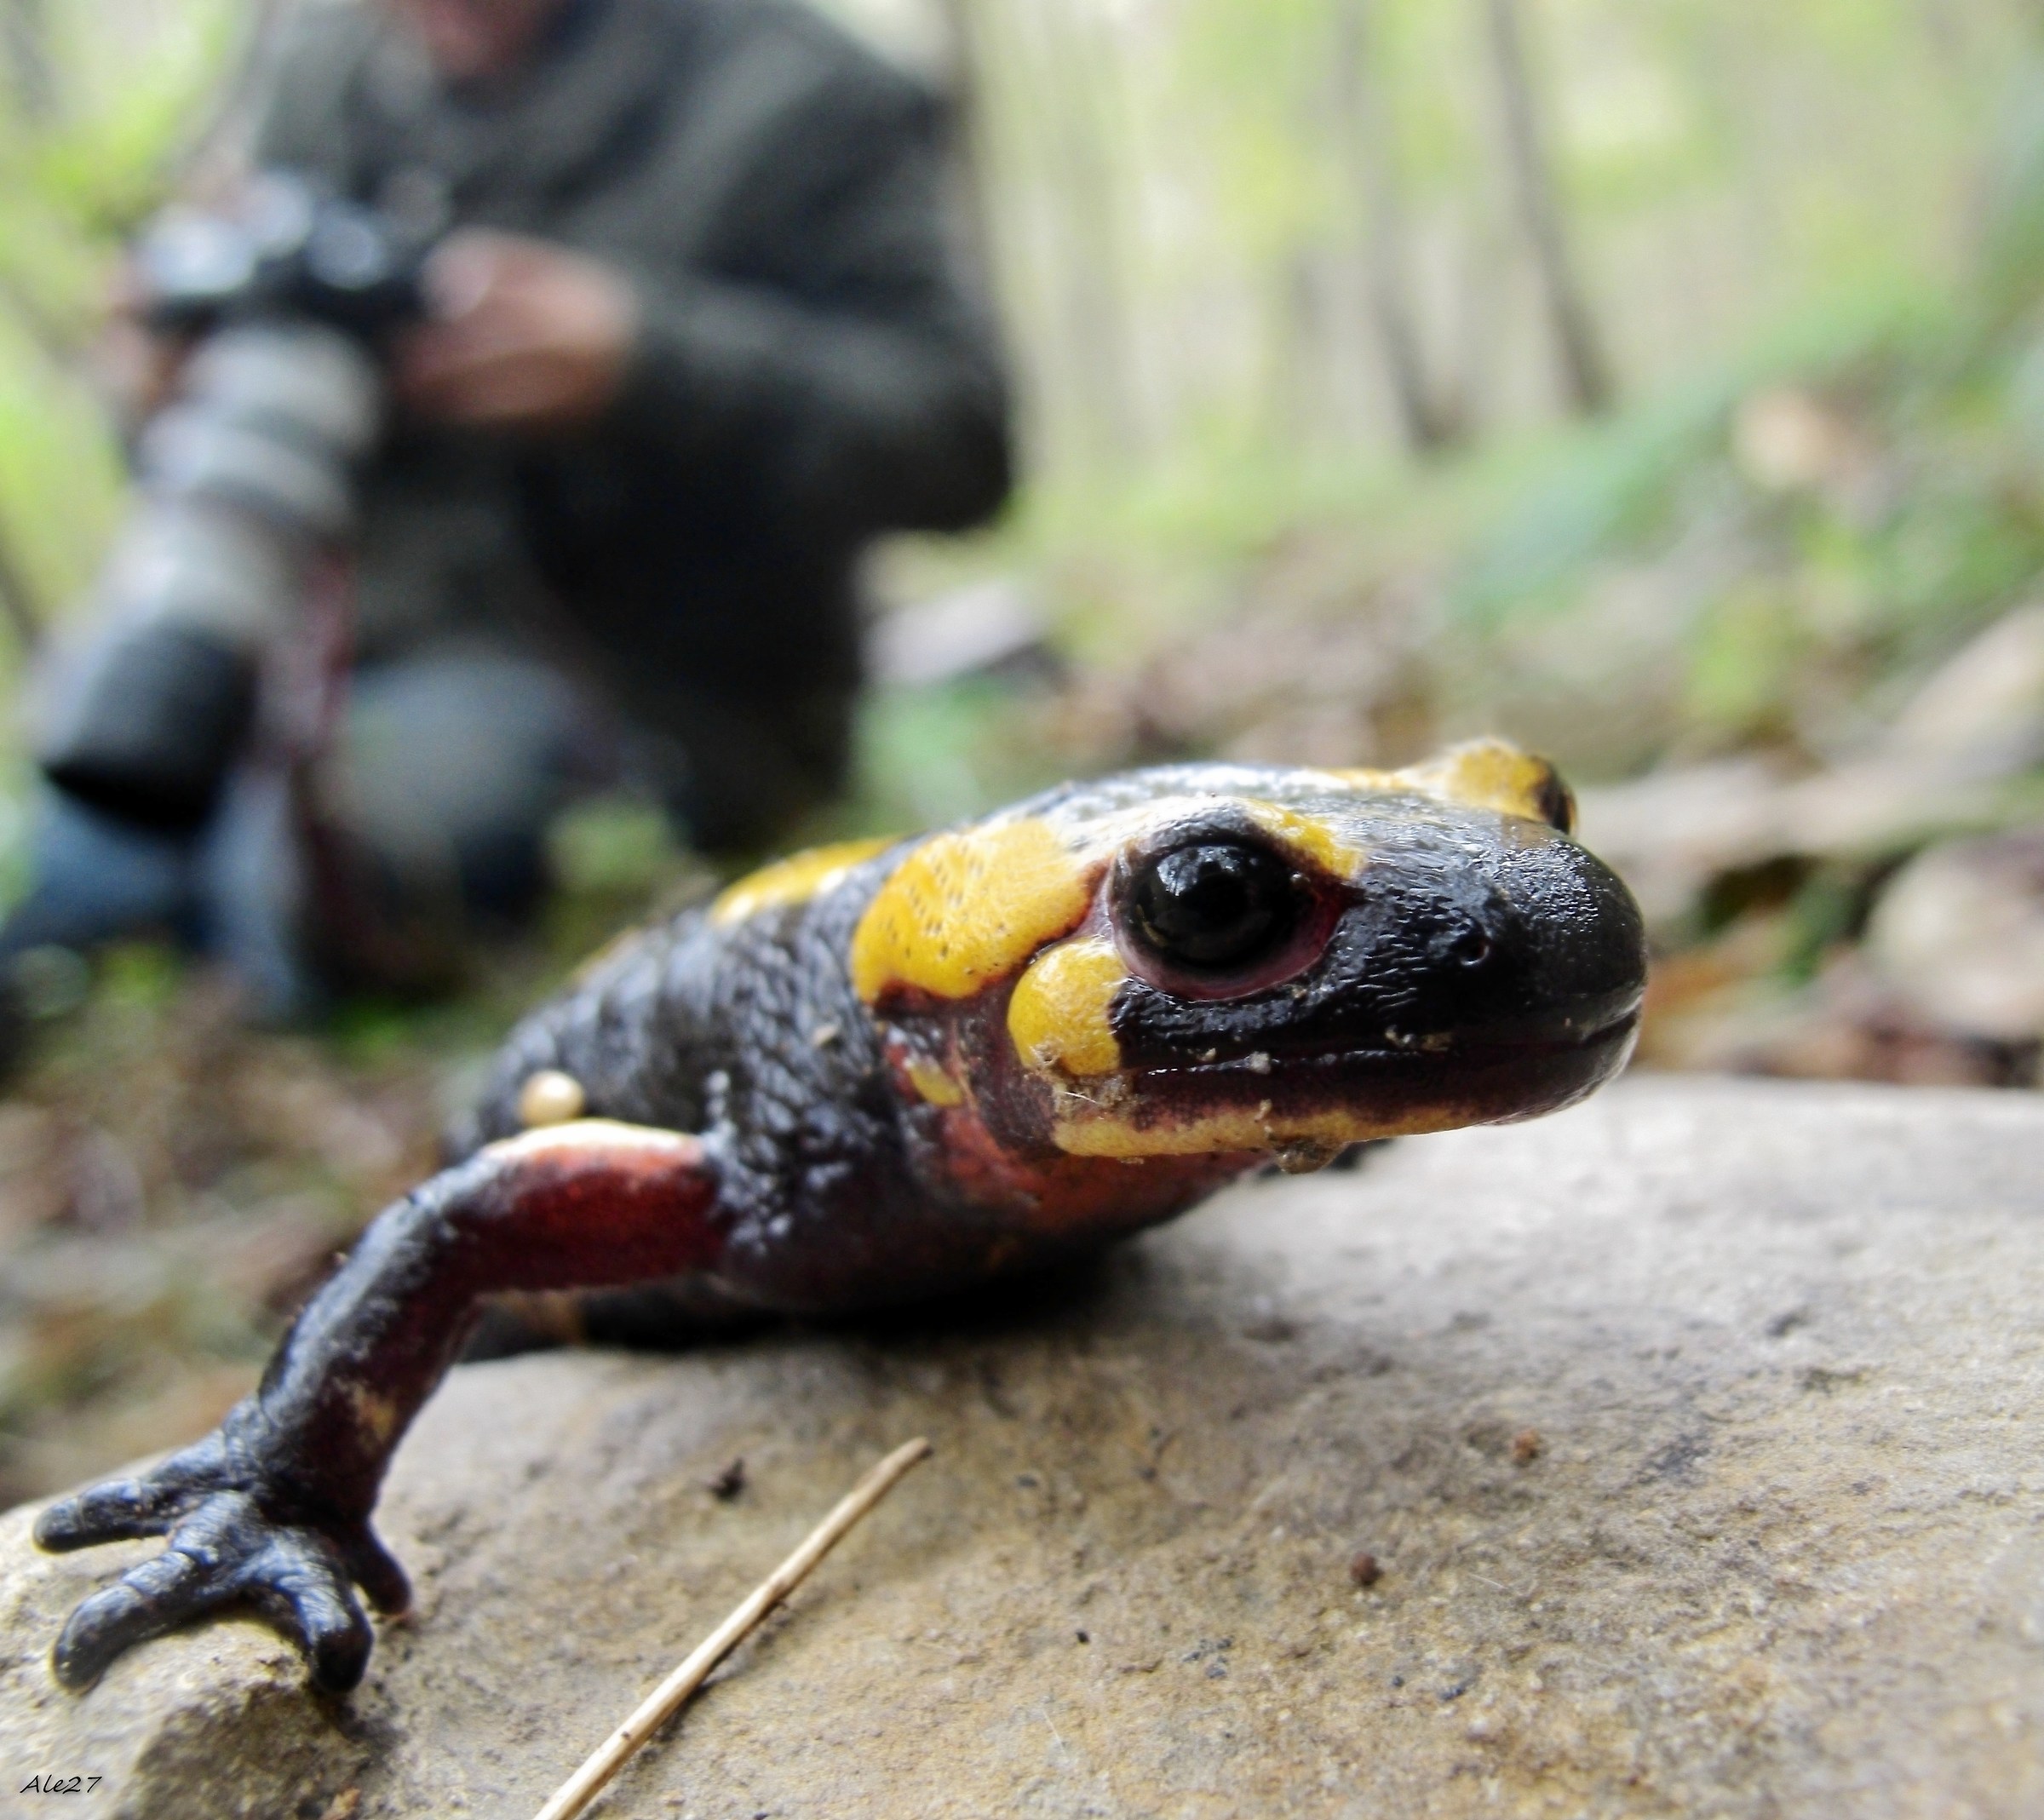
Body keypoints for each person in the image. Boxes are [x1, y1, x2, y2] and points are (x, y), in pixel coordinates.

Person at [2, 0, 1012, 1021]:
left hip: (652, 697)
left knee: (306, 876)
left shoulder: (795, 88)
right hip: (315, 652)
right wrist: (158, 383)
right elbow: (249, 381)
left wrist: (645, 362)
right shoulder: (316, 66)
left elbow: (963, 441)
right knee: (83, 828)